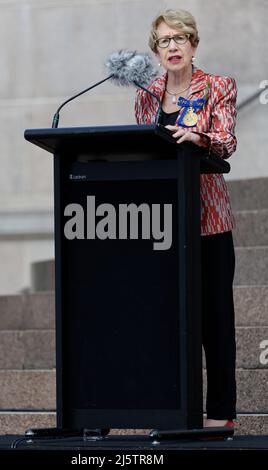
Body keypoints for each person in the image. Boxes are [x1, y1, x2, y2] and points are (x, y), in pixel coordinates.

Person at [135, 8, 237, 428]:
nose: (173, 46)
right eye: (164, 41)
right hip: (162, 222)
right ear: (156, 51)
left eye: (180, 38)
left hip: (209, 220)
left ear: (194, 45)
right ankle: (172, 408)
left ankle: (220, 415)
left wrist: (201, 137)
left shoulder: (217, 86)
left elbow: (227, 141)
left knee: (215, 319)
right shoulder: (146, 95)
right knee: (166, 318)